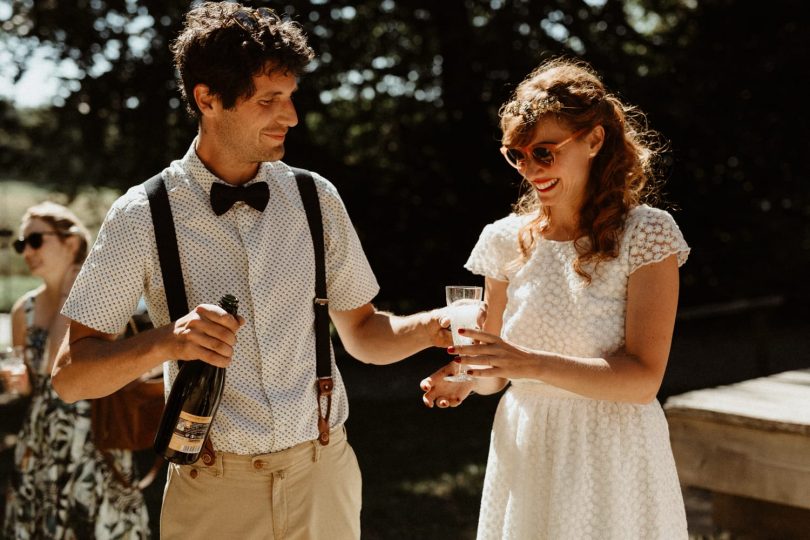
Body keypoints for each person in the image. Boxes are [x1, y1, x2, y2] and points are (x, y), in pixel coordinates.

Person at [51, 3, 449, 539]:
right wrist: (167, 341)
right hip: (214, 492)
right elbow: (72, 376)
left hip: (323, 476)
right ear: (207, 99)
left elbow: (363, 333)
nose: (291, 117)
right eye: (269, 101)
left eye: (290, 97)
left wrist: (434, 326)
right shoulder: (143, 215)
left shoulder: (316, 199)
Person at [421, 57, 690, 538]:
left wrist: (529, 364)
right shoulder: (503, 240)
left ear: (593, 140)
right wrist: (468, 377)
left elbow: (643, 380)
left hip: (615, 451)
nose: (529, 169)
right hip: (527, 449)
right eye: (516, 155)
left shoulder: (647, 233)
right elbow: (499, 374)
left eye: (544, 152)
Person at [3, 202, 150, 539]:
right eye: (21, 244)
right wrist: (22, 385)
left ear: (71, 242)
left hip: (93, 437)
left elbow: (62, 360)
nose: (27, 251)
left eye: (36, 240)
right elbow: (35, 386)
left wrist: (72, 290)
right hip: (39, 441)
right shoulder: (21, 310)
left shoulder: (97, 301)